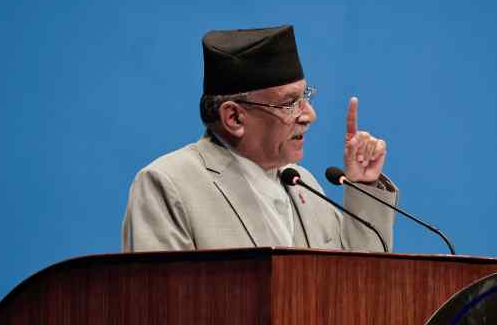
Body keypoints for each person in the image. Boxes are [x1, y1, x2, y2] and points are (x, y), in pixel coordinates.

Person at [122, 25, 398, 252]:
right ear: (234, 118)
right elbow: (160, 302)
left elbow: (360, 284)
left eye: (306, 96)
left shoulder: (303, 184)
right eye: (290, 102)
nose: (309, 115)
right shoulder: (169, 184)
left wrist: (364, 186)